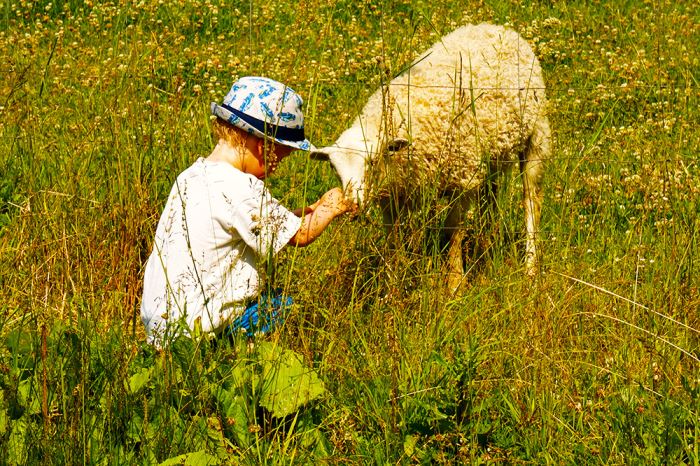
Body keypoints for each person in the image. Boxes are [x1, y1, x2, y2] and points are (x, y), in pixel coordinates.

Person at [140, 76, 352, 346]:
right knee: (280, 306)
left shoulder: (192, 176)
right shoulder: (241, 188)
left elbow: (274, 223)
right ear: (264, 148)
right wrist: (334, 204)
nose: (276, 169)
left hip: (164, 325)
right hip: (199, 330)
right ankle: (236, 356)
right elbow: (300, 235)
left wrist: (313, 208)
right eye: (281, 158)